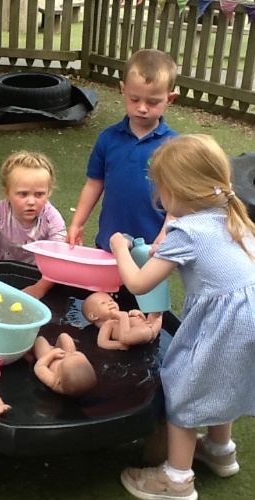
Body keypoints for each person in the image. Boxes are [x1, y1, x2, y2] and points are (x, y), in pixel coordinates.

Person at [109, 134, 255, 500]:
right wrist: (165, 250)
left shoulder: (186, 231)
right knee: (225, 378)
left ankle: (176, 481)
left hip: (225, 323)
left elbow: (139, 283)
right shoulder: (232, 216)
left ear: (177, 190)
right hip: (249, 316)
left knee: (184, 386)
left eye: (161, 188)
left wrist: (118, 247)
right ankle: (220, 450)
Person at [66, 49, 179, 253]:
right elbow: (94, 184)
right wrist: (77, 223)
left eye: (153, 102)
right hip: (110, 242)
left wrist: (166, 233)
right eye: (135, 99)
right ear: (123, 90)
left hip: (153, 247)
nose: (142, 108)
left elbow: (180, 197)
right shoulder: (108, 138)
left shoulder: (174, 146)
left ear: (169, 99)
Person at [0, 150, 67, 299]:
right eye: (23, 194)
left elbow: (59, 258)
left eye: (39, 194)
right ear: (7, 193)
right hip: (0, 274)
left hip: (39, 277)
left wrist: (39, 289)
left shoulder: (52, 218)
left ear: (49, 192)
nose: (31, 201)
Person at [81, 292, 162, 350]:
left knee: (155, 316)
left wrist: (140, 315)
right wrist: (118, 345)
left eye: (111, 300)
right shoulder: (108, 324)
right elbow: (102, 342)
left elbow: (138, 322)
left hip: (148, 329)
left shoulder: (121, 316)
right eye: (103, 303)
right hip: (136, 334)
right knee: (125, 338)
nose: (110, 303)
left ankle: (158, 308)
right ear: (94, 316)